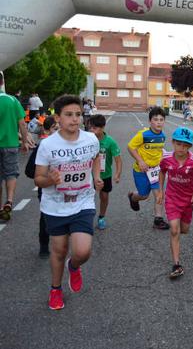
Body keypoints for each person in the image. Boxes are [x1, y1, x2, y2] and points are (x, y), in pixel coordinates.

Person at [34, 94, 103, 310]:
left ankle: (74, 267)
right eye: (69, 115)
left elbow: (96, 158)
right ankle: (55, 289)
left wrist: (97, 176)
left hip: (83, 201)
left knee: (82, 251)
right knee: (59, 249)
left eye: (78, 115)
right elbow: (38, 178)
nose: (74, 119)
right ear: (58, 118)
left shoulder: (91, 139)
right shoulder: (48, 145)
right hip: (55, 205)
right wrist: (50, 180)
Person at [157, 127, 193, 279]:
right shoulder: (166, 158)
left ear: (189, 146)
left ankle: (178, 233)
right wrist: (161, 191)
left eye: (185, 145)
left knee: (184, 229)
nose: (181, 148)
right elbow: (162, 172)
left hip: (187, 200)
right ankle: (177, 264)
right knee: (174, 230)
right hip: (172, 199)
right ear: (173, 143)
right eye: (178, 144)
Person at [0, 71, 33, 222]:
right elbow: (22, 123)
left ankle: (0, 207)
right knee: (11, 173)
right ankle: (10, 200)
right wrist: (25, 141)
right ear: (2, 83)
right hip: (10, 144)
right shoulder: (12, 100)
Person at [127, 107, 168, 230]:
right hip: (141, 171)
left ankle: (158, 219)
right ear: (150, 121)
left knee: (159, 194)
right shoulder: (143, 135)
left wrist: (162, 161)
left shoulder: (163, 136)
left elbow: (159, 150)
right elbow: (130, 147)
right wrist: (140, 161)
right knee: (144, 195)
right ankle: (132, 197)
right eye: (156, 119)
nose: (159, 122)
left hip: (155, 171)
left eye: (161, 119)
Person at [24, 116, 59, 257]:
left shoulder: (72, 146)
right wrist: (45, 176)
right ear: (46, 130)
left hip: (67, 190)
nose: (58, 132)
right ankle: (44, 245)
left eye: (60, 128)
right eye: (54, 129)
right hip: (46, 191)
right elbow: (29, 171)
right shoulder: (42, 146)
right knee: (46, 217)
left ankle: (63, 242)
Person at [88, 115, 122, 230]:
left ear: (103, 127)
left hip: (105, 175)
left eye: (95, 128)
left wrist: (117, 174)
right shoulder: (86, 140)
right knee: (88, 197)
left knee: (104, 196)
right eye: (90, 128)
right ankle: (85, 218)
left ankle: (101, 217)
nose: (92, 131)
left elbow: (118, 159)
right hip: (88, 175)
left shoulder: (110, 142)